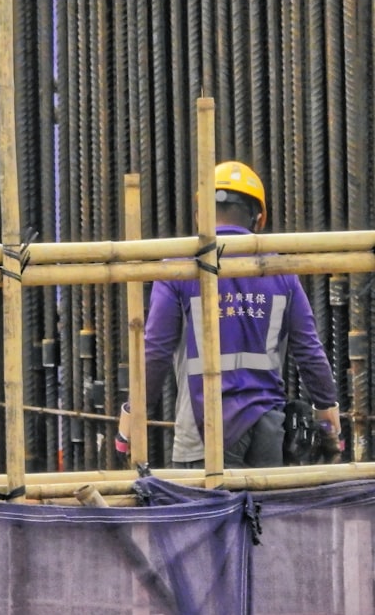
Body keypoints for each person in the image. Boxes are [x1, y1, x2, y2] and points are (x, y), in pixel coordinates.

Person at [117, 161, 341, 469]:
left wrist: (132, 417)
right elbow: (309, 350)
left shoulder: (177, 270)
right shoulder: (282, 273)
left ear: (200, 215)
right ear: (259, 218)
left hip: (202, 435)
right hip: (268, 431)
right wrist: (327, 411)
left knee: (208, 516)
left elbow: (154, 353)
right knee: (265, 516)